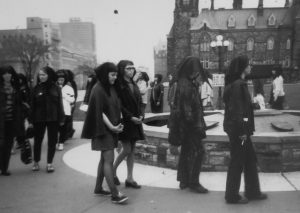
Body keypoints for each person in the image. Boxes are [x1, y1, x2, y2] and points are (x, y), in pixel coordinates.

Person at [81, 62, 128, 204]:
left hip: (110, 129)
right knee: (109, 159)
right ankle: (115, 194)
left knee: (104, 159)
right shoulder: (98, 89)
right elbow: (99, 112)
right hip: (102, 129)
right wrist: (112, 128)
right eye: (112, 75)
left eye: (116, 75)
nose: (115, 77)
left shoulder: (110, 88)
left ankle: (98, 188)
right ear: (105, 74)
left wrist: (116, 126)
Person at [223, 55, 267, 204]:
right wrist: (243, 132)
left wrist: (251, 106)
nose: (251, 67)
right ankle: (231, 196)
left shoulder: (235, 84)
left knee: (249, 160)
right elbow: (238, 112)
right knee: (238, 161)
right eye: (249, 64)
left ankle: (253, 191)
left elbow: (242, 109)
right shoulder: (238, 85)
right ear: (242, 67)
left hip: (241, 131)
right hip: (240, 133)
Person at [168, 56, 209, 193]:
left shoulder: (182, 82)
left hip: (185, 127)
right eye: (196, 70)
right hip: (191, 127)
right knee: (199, 152)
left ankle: (183, 180)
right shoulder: (187, 85)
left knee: (186, 151)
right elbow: (187, 111)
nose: (197, 73)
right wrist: (197, 128)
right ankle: (194, 182)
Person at [113, 60, 144, 189]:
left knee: (132, 151)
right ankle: (111, 171)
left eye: (132, 68)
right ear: (122, 70)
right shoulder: (118, 85)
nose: (131, 70)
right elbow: (119, 105)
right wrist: (131, 117)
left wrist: (141, 115)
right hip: (125, 121)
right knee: (126, 149)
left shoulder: (133, 83)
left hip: (136, 121)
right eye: (128, 68)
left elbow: (140, 101)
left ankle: (130, 178)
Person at [29, 66, 65, 173]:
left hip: (53, 119)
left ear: (49, 75)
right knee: (37, 141)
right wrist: (30, 120)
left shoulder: (56, 88)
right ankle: (36, 162)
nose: (41, 77)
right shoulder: (35, 89)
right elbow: (32, 106)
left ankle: (50, 163)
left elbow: (60, 105)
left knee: (52, 141)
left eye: (44, 74)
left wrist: (61, 118)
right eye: (40, 75)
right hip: (38, 119)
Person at [0, 66, 24, 176]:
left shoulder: (15, 88)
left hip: (11, 121)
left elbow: (18, 104)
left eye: (9, 73)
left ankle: (4, 168)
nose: (7, 75)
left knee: (8, 146)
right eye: (4, 73)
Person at [56, 70, 75, 151]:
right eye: (59, 80)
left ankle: (61, 143)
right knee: (56, 128)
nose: (60, 81)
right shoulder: (54, 87)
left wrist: (63, 95)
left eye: (62, 80)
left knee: (63, 128)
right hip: (56, 111)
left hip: (66, 111)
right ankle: (57, 141)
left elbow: (72, 99)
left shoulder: (69, 88)